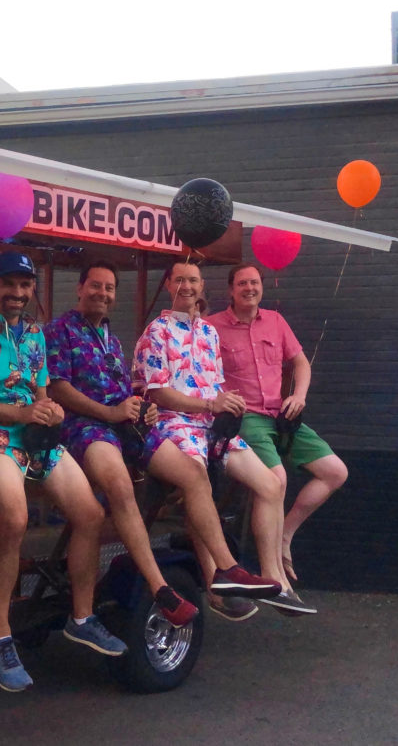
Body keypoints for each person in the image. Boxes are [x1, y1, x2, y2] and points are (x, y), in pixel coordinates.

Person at [45, 262, 280, 625]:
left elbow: (132, 390)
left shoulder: (110, 336)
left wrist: (140, 410)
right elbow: (58, 387)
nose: (102, 294)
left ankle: (227, 569)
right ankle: (160, 587)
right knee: (122, 487)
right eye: (95, 286)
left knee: (193, 475)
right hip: (89, 427)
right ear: (79, 288)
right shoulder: (60, 330)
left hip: (131, 425)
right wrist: (113, 413)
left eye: (109, 288)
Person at [0, 251, 126, 694]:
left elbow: (41, 394)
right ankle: (0, 635)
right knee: (16, 518)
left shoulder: (34, 335)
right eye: (9, 284)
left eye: (25, 286)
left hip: (34, 436)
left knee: (90, 513)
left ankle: (81, 617)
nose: (18, 294)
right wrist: (20, 412)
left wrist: (48, 410)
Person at [133, 261, 315, 616]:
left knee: (271, 485)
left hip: (210, 424)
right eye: (180, 279)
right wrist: (210, 403)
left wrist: (226, 404)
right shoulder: (157, 331)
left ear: (202, 287)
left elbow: (215, 385)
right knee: (197, 480)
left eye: (194, 280)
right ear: (169, 284)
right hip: (174, 424)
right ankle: (218, 581)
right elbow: (158, 394)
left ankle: (271, 579)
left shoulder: (209, 333)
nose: (187, 285)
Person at [206, 264, 348, 582]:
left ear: (262, 287)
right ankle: (272, 572)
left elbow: (300, 362)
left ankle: (285, 535)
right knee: (277, 478)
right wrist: (219, 398)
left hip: (281, 416)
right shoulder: (211, 327)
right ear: (231, 289)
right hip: (247, 418)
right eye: (242, 283)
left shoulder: (276, 321)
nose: (249, 288)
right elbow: (199, 372)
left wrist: (299, 396)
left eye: (254, 282)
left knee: (336, 472)